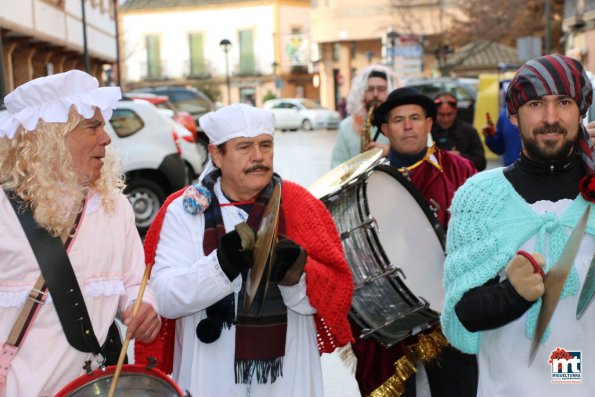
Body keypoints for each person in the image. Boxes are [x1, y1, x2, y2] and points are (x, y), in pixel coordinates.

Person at [134, 103, 353, 397]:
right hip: (209, 372)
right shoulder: (185, 210)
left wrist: (296, 275)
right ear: (216, 155)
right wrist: (219, 268)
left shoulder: (299, 203)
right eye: (244, 147)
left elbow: (331, 295)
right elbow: (165, 297)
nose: (258, 156)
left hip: (287, 371)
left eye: (265, 145)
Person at [0, 70, 161, 396]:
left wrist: (143, 306)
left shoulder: (114, 207)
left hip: (100, 387)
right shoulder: (3, 211)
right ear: (50, 137)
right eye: (92, 127)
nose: (106, 138)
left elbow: (133, 282)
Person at [442, 54, 594, 396]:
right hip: (509, 387)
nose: (551, 118)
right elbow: (463, 313)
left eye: (564, 102)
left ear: (581, 111)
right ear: (513, 114)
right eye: (536, 104)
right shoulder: (478, 198)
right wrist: (510, 294)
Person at [348, 87, 477, 397]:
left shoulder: (460, 169)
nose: (408, 126)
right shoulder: (366, 180)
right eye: (399, 120)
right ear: (386, 130)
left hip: (450, 309)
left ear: (429, 124)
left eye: (416, 118)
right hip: (390, 314)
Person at [331, 64, 399, 168]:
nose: (375, 94)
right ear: (361, 92)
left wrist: (390, 150)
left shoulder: (404, 123)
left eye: (381, 89)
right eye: (370, 89)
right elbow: (336, 166)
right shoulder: (346, 126)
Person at [432, 92, 487, 171]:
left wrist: (460, 156)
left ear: (456, 111)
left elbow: (481, 163)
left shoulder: (469, 131)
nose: (445, 119)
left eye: (449, 114)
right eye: (441, 114)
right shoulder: (427, 131)